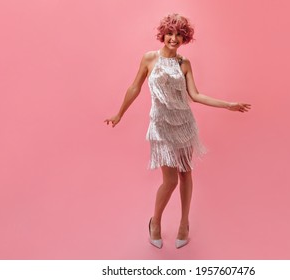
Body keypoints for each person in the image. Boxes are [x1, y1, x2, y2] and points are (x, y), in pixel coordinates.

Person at [104, 13, 251, 249]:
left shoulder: (184, 64)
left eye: (179, 35)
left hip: (183, 124)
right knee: (170, 180)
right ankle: (156, 222)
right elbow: (134, 87)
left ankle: (184, 223)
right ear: (163, 34)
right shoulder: (149, 59)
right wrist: (119, 113)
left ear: (185, 38)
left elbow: (195, 95)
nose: (174, 38)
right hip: (161, 126)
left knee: (186, 173)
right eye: (170, 34)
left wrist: (228, 104)